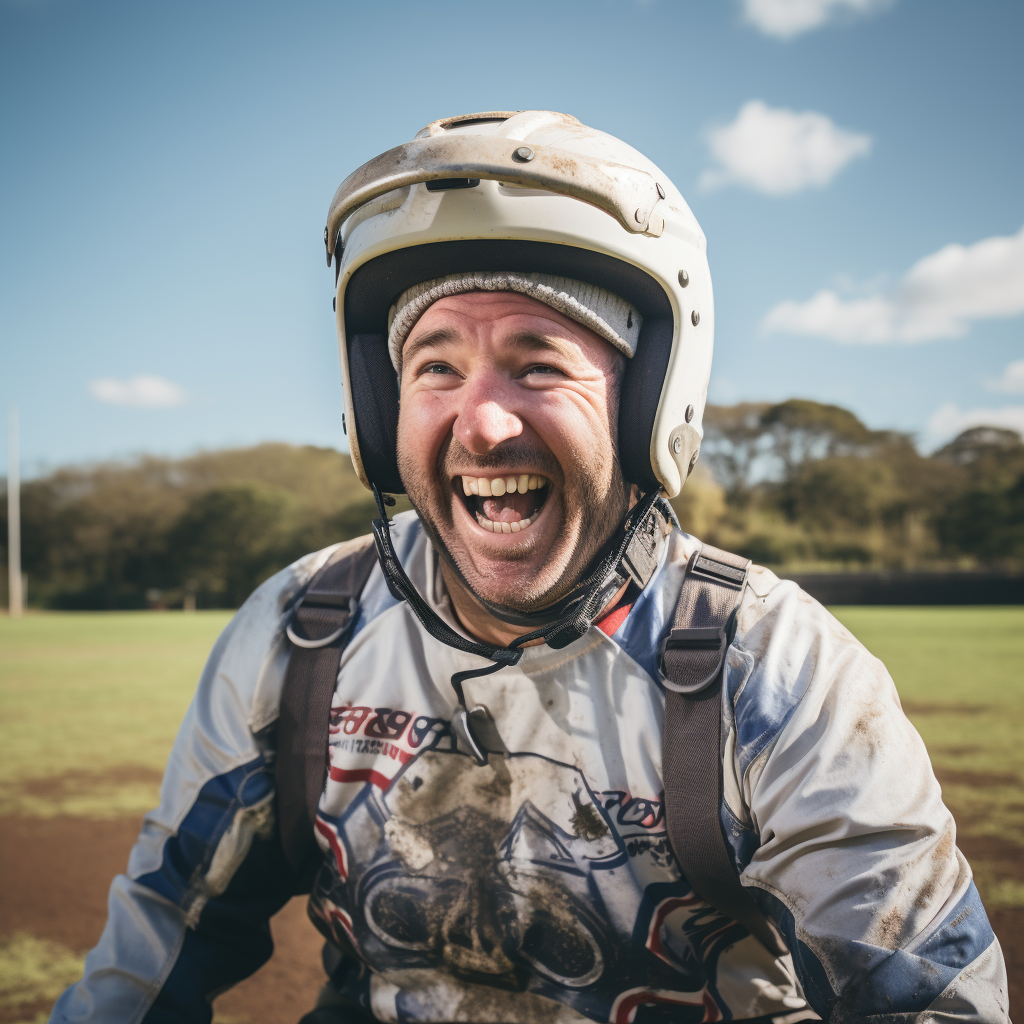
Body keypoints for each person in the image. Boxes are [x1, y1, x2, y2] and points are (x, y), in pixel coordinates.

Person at [51, 111, 1009, 1024]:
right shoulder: (301, 632)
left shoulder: (772, 671)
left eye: (538, 362)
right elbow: (159, 934)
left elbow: (926, 995)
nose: (483, 422)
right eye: (434, 367)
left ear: (648, 403)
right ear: (382, 418)